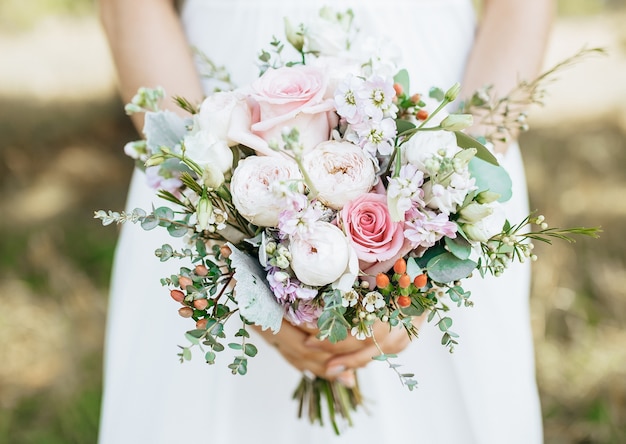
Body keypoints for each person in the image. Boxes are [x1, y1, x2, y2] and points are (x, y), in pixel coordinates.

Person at [97, 0, 553, 443]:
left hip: (438, 121)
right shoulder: (210, 180)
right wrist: (218, 215)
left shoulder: (447, 178)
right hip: (210, 113)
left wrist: (445, 196)